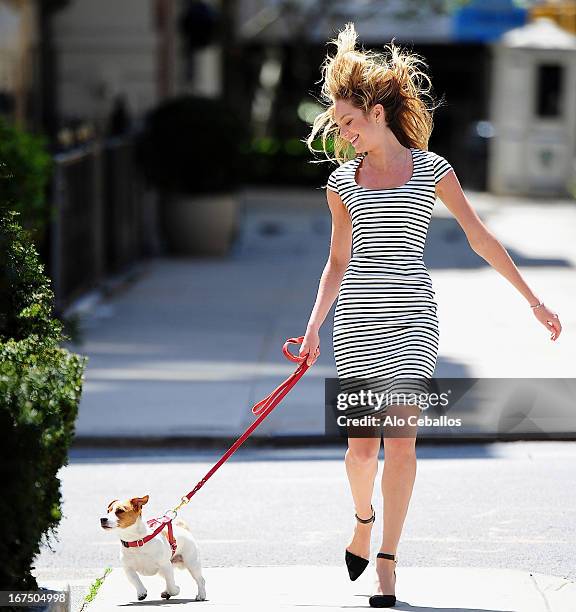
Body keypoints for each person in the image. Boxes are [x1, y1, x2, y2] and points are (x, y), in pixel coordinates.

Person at [298, 22, 562, 608]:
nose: (342, 133)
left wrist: (533, 300)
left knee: (403, 446)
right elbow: (336, 262)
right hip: (355, 326)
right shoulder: (342, 183)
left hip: (413, 323)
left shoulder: (433, 170)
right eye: (337, 124)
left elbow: (480, 237)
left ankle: (387, 560)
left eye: (348, 121)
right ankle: (363, 520)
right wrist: (314, 326)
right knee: (359, 453)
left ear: (378, 112)